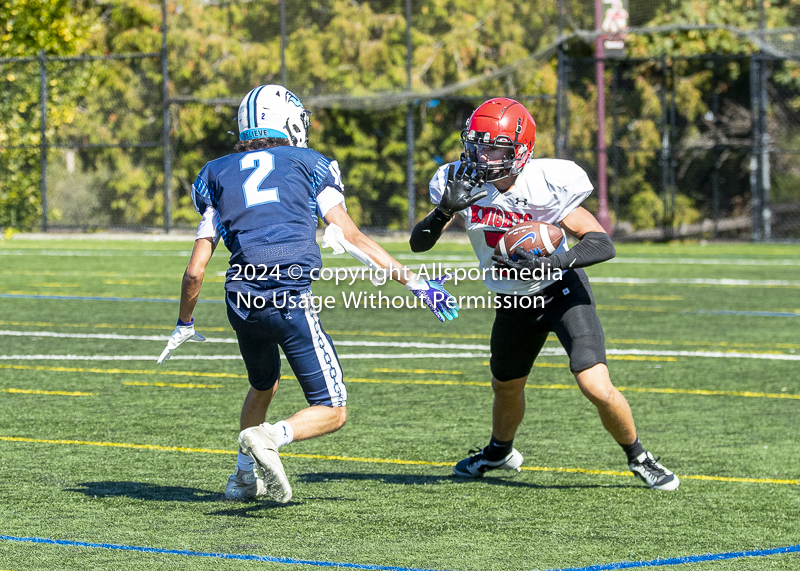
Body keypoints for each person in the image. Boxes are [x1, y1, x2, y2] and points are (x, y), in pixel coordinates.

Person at [157, 85, 459, 503]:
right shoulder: (311, 164)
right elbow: (350, 236)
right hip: (287, 296)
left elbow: (195, 271)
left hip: (239, 300)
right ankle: (269, 437)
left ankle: (243, 477)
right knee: (333, 410)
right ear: (291, 122)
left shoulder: (215, 172)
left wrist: (184, 323)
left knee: (264, 384)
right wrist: (418, 284)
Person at [409, 98, 679, 491]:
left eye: (494, 147)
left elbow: (602, 244)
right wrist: (439, 213)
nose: (481, 155)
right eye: (476, 144)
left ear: (521, 152)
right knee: (505, 385)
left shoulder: (546, 182)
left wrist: (554, 264)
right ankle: (500, 451)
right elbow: (419, 245)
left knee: (595, 385)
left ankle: (639, 455)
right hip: (513, 299)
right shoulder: (460, 179)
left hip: (561, 291)